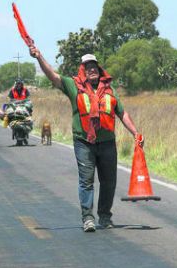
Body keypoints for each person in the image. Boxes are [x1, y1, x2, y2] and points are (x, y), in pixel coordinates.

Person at [28, 42, 144, 232]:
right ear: (83, 70)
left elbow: (122, 113)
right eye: (88, 67)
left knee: (109, 181)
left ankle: (105, 217)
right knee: (86, 180)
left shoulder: (109, 90)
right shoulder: (73, 86)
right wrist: (39, 56)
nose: (92, 69)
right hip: (84, 143)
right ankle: (88, 218)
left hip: (107, 143)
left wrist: (136, 133)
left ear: (99, 69)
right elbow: (53, 76)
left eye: (94, 66)